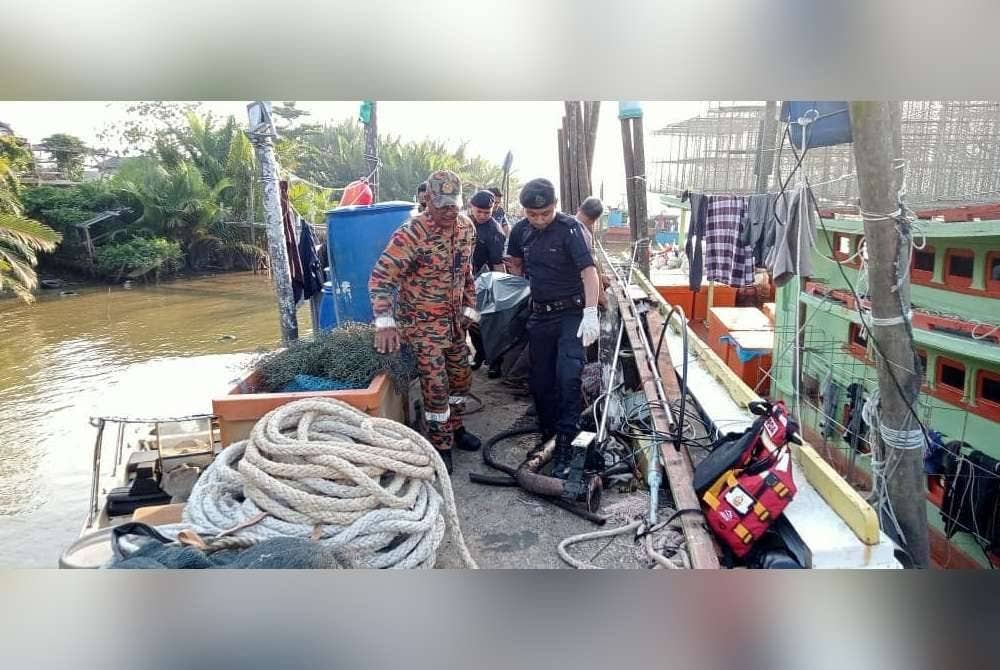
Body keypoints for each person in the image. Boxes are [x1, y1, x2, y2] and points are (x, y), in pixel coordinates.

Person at [370, 170, 482, 474]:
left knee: (461, 379)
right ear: (428, 200)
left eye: (454, 205)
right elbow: (381, 279)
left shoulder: (466, 229)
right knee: (436, 385)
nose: (449, 211)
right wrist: (385, 322)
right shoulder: (411, 234)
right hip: (422, 327)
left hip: (454, 324)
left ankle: (456, 428)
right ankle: (440, 443)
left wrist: (470, 308)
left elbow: (467, 274)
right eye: (443, 205)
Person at [505, 178, 601, 478]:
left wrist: (590, 312)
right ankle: (547, 437)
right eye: (532, 215)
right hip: (540, 316)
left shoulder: (571, 229)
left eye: (545, 213)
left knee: (568, 378)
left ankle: (565, 448)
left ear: (555, 206)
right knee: (541, 382)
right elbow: (515, 264)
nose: (539, 219)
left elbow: (589, 273)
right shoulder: (520, 230)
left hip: (571, 313)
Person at [467, 189, 508, 376]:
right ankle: (480, 354)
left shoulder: (495, 231)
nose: (483, 216)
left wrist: (500, 291)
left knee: (492, 323)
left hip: (489, 282)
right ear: (471, 208)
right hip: (468, 282)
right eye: (479, 212)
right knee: (471, 320)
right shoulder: (463, 225)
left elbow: (499, 264)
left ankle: (495, 362)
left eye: (487, 212)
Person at [575, 196, 610, 308]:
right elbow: (590, 266)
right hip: (571, 286)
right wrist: (601, 294)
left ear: (578, 208)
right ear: (595, 219)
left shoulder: (566, 223)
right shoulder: (584, 233)